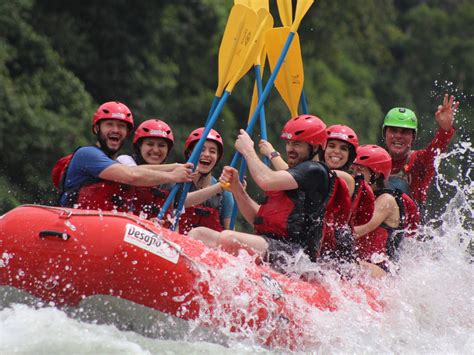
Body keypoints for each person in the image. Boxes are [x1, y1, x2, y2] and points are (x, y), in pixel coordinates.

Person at [189, 115, 354, 272]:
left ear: (316, 147)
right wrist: (237, 189)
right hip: (273, 245)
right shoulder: (293, 177)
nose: (290, 149)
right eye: (288, 143)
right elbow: (257, 219)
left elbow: (265, 179)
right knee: (199, 234)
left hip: (296, 255)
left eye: (297, 144)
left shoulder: (316, 171)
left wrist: (248, 150)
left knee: (229, 238)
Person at [53, 101, 194, 211]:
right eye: (109, 124)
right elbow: (132, 175)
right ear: (96, 128)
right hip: (76, 226)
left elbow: (137, 170)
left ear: (127, 133)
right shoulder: (87, 154)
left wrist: (175, 167)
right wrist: (172, 176)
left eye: (121, 126)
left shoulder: (116, 163)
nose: (116, 130)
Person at [260, 124, 374, 229]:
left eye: (343, 149)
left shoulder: (346, 178)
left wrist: (272, 154)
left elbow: (294, 176)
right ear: (323, 148)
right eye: (331, 146)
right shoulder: (315, 171)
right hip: (315, 238)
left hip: (332, 246)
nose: (336, 152)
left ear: (350, 156)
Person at [351, 144, 420, 276]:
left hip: (382, 270)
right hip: (361, 262)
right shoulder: (358, 196)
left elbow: (358, 231)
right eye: (351, 170)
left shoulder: (386, 200)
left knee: (343, 264)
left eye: (360, 170)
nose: (354, 176)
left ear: (376, 175)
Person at [382, 94, 459, 211]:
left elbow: (436, 150)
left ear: (413, 137)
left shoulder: (420, 161)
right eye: (393, 130)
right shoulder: (374, 159)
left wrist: (445, 130)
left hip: (408, 226)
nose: (398, 136)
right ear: (384, 134)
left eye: (404, 132)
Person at [116, 119, 178, 219]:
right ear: (139, 146)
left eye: (161, 145)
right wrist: (175, 167)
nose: (156, 150)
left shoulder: (171, 182)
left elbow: (175, 222)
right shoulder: (124, 160)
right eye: (150, 144)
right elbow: (135, 173)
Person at [177, 128, 234, 234]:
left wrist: (239, 192)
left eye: (212, 151)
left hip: (206, 248)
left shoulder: (225, 193)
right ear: (190, 153)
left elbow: (230, 234)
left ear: (217, 158)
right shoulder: (177, 181)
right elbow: (181, 202)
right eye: (201, 149)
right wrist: (219, 187)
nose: (207, 154)